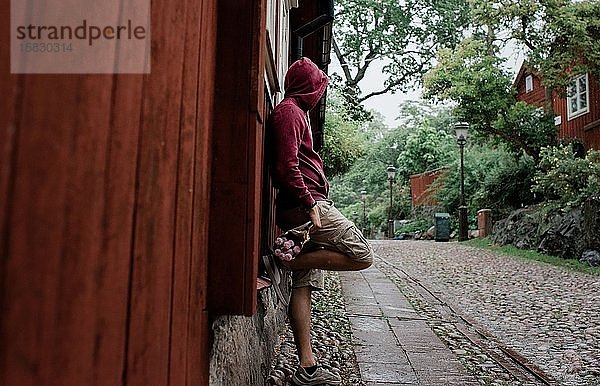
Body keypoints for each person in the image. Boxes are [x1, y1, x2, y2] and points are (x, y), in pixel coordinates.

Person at [268, 57, 374, 386]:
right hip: (309, 210)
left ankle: (307, 368)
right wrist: (311, 202)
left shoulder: (296, 112)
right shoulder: (289, 112)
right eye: (318, 87)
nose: (319, 93)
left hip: (303, 209)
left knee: (302, 287)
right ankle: (288, 259)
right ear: (308, 87)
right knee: (363, 255)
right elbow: (286, 166)